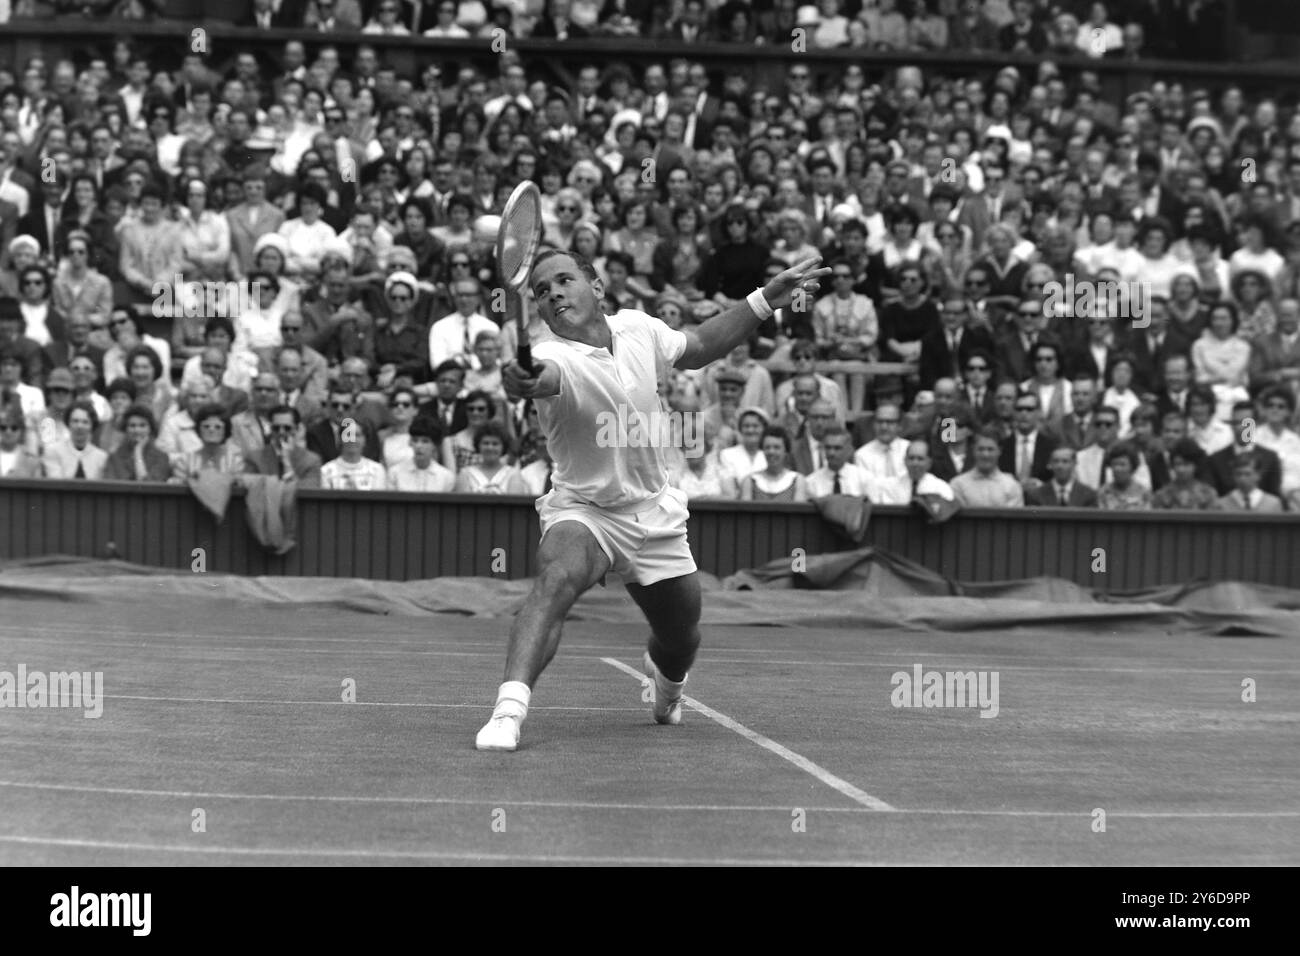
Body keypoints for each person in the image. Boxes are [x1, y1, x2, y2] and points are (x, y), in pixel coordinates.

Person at [475, 248, 826, 751]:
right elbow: (541, 378)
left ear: (596, 289)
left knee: (682, 636)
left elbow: (700, 344)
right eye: (541, 291)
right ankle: (508, 712)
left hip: (654, 512)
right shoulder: (556, 358)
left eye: (563, 280)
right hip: (584, 511)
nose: (552, 292)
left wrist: (767, 299)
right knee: (554, 580)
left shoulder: (639, 327)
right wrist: (523, 380)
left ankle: (667, 685)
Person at [950, 426, 1024, 507]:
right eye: (981, 449)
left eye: (990, 449)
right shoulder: (958, 485)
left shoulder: (1012, 486)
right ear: (973, 450)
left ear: (999, 451)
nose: (985, 454)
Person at [453, 421, 529, 494]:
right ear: (478, 445)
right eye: (486, 443)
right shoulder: (465, 474)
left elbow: (514, 505)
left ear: (503, 446)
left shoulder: (513, 475)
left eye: (495, 444)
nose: (490, 448)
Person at [738, 427, 809, 502]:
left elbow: (798, 511)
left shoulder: (797, 480)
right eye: (767, 447)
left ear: (785, 451)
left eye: (777, 447)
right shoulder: (750, 481)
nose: (771, 452)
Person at [103, 405, 172, 482]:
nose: (137, 430)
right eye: (132, 426)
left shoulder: (161, 457)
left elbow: (149, 487)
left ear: (150, 429)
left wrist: (138, 452)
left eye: (142, 425)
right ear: (126, 429)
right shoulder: (115, 457)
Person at [40, 401, 107, 479]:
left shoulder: (102, 457)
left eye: (85, 422)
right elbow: (56, 484)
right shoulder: (53, 451)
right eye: (75, 421)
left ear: (92, 426)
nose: (79, 426)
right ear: (68, 423)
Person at [387, 418, 456, 492]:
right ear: (410, 443)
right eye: (415, 440)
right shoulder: (395, 473)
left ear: (435, 445)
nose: (418, 446)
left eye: (425, 441)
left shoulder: (446, 477)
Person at [1027, 446, 1098, 507]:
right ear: (1050, 464)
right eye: (1056, 461)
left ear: (1074, 463)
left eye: (1065, 461)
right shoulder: (1037, 495)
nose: (1060, 466)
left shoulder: (1088, 495)